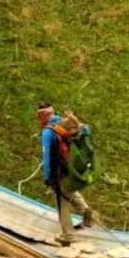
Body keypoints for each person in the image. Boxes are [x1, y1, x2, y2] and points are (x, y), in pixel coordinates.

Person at [37, 101, 94, 246]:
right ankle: (87, 212)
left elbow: (47, 156)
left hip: (61, 171)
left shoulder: (48, 132)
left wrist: (49, 178)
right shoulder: (64, 123)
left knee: (62, 201)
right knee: (70, 191)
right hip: (72, 168)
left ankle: (67, 235)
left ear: (42, 116)